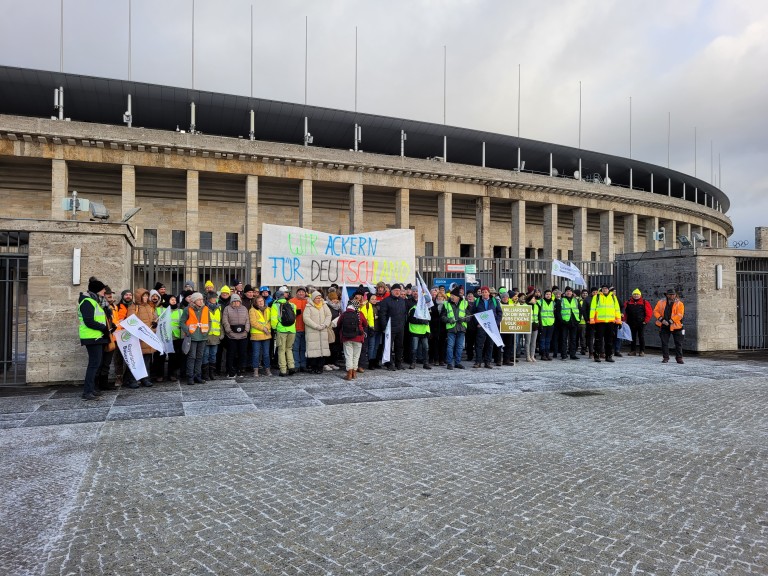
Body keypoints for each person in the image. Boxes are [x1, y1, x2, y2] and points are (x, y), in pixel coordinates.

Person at [77, 277, 113, 400]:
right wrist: (103, 328)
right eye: (103, 290)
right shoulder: (88, 302)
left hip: (97, 337)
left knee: (96, 364)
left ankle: (91, 389)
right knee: (94, 365)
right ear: (98, 290)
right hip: (92, 337)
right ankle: (87, 391)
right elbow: (89, 321)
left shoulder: (94, 301)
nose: (104, 292)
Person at [179, 292, 209, 385]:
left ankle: (197, 376)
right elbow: (182, 322)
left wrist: (207, 331)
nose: (201, 301)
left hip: (203, 336)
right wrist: (187, 331)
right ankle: (190, 377)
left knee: (200, 357)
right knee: (192, 357)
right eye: (199, 300)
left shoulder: (205, 309)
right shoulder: (187, 309)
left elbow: (209, 321)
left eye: (202, 299)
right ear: (194, 301)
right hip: (192, 337)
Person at [378, 283, 409, 371]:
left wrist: (403, 324)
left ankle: (398, 363)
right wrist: (384, 327)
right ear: (391, 291)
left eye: (399, 291)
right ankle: (389, 364)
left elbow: (404, 314)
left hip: (400, 328)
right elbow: (382, 315)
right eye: (395, 290)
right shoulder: (386, 301)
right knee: (388, 346)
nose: (397, 292)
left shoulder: (402, 301)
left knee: (399, 346)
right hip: (389, 328)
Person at [590, 284, 621, 363]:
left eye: (606, 288)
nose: (605, 290)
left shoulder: (613, 297)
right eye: (603, 288)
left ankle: (609, 356)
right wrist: (592, 320)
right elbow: (592, 309)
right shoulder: (596, 297)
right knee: (598, 340)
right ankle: (597, 356)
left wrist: (618, 321)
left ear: (608, 290)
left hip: (610, 322)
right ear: (601, 289)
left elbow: (617, 310)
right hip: (600, 322)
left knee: (609, 340)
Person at [472, 286, 502, 369]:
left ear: (489, 293)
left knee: (490, 344)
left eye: (486, 292)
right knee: (479, 344)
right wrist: (477, 323)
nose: (484, 293)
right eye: (483, 292)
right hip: (481, 326)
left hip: (491, 326)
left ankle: (487, 362)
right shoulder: (477, 301)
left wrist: (496, 323)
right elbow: (473, 313)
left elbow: (499, 313)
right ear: (481, 293)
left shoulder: (494, 301)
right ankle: (478, 362)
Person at [303, 290, 332, 374]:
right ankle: (313, 367)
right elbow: (306, 318)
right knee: (313, 350)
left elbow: (328, 315)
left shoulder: (324, 305)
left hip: (323, 330)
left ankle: (320, 367)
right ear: (313, 298)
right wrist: (316, 326)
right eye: (317, 298)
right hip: (312, 331)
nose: (319, 299)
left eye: (320, 297)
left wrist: (325, 325)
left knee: (322, 350)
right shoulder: (308, 306)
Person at [222, 294, 250, 381]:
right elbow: (225, 321)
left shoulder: (244, 308)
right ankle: (231, 371)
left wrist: (246, 330)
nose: (236, 303)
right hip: (231, 336)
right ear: (231, 302)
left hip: (243, 335)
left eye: (238, 301)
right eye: (234, 301)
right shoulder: (227, 309)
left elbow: (247, 321)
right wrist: (229, 331)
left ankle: (240, 370)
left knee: (242, 354)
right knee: (231, 354)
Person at [654, 288, 685, 364]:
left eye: (673, 294)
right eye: (670, 294)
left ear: (675, 295)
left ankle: (679, 358)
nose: (672, 296)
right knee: (664, 342)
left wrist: (671, 321)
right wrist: (662, 320)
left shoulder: (680, 304)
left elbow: (680, 315)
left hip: (676, 326)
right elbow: (655, 311)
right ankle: (665, 357)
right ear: (667, 295)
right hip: (664, 325)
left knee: (678, 343)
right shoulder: (660, 302)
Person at [134, 288, 158, 386]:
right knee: (136, 360)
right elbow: (131, 321)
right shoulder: (134, 307)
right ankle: (133, 379)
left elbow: (154, 318)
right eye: (144, 295)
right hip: (139, 338)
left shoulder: (149, 306)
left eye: (147, 295)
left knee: (147, 359)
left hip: (148, 337)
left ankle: (146, 379)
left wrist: (155, 325)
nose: (146, 297)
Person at [271, 288, 297, 376]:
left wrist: (275, 328)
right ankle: (291, 366)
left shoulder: (275, 305)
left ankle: (283, 370)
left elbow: (274, 319)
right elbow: (294, 318)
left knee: (281, 350)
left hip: (281, 330)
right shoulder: (292, 305)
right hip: (292, 330)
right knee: (289, 349)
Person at [441, 286, 469, 370]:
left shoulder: (465, 303)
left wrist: (464, 319)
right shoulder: (446, 303)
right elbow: (442, 316)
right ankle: (449, 363)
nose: (451, 297)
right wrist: (449, 320)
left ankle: (457, 362)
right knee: (450, 346)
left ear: (458, 297)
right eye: (451, 295)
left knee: (459, 346)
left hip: (461, 328)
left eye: (453, 296)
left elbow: (469, 316)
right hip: (451, 328)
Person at [339, 303, 368, 380]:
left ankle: (349, 374)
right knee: (356, 356)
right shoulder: (360, 314)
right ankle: (354, 373)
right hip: (358, 338)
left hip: (346, 338)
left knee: (348, 356)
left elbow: (339, 324)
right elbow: (366, 324)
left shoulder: (344, 314)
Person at [624, 289, 653, 356]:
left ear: (640, 295)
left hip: (641, 323)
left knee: (641, 337)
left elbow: (649, 312)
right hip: (631, 322)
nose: (636, 295)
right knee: (632, 337)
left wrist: (645, 321)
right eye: (634, 294)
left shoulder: (644, 302)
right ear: (632, 295)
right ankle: (633, 351)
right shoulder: (628, 302)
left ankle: (642, 351)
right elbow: (625, 313)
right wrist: (624, 320)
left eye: (637, 294)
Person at [249, 295, 272, 376]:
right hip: (256, 335)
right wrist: (264, 329)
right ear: (255, 302)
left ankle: (267, 370)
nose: (261, 302)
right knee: (256, 354)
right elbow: (253, 322)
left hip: (266, 335)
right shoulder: (252, 310)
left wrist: (267, 327)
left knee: (266, 354)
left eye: (262, 301)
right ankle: (255, 370)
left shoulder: (268, 309)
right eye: (259, 301)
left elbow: (270, 320)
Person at [556, 286, 581, 360]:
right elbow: (558, 313)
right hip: (565, 322)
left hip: (574, 322)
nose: (568, 292)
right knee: (564, 339)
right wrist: (562, 321)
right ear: (565, 293)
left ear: (572, 292)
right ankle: (564, 354)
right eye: (567, 291)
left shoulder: (576, 300)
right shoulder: (561, 301)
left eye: (570, 291)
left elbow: (580, 310)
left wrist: (578, 320)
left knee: (573, 339)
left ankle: (572, 354)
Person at [407, 300, 432, 370]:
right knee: (414, 348)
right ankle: (413, 363)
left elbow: (428, 321)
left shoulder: (425, 310)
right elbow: (411, 319)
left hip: (424, 332)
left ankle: (426, 363)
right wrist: (422, 321)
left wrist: (428, 331)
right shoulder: (413, 309)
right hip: (415, 331)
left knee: (426, 348)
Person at [203, 291, 222, 381]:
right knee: (205, 355)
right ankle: (205, 374)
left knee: (213, 355)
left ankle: (212, 373)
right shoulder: (205, 308)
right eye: (213, 298)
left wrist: (222, 334)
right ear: (209, 299)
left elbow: (220, 322)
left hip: (216, 336)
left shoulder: (219, 308)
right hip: (207, 335)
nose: (214, 299)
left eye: (215, 297)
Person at [290, 286, 309, 372]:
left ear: (305, 293)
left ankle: (303, 364)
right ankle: (296, 365)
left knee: (304, 348)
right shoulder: (291, 301)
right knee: (295, 348)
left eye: (303, 292)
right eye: (299, 292)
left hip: (306, 328)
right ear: (296, 293)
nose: (301, 293)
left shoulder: (308, 301)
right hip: (295, 328)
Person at [525, 293, 540, 362]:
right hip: (528, 325)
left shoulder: (537, 306)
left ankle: (532, 356)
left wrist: (539, 325)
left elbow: (539, 316)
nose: (535, 300)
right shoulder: (526, 305)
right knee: (528, 341)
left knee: (533, 342)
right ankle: (527, 356)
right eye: (533, 298)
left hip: (535, 325)